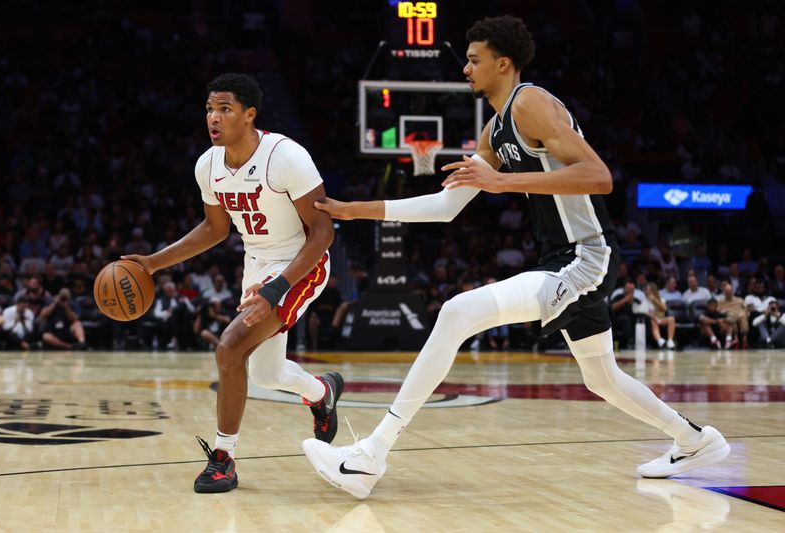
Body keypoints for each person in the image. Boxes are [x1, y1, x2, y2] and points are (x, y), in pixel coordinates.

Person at [301, 16, 728, 499]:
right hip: (561, 258)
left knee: (456, 311)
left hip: (584, 256)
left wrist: (504, 182)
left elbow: (598, 174)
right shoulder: (495, 130)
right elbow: (446, 208)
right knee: (603, 378)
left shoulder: (532, 102)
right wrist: (356, 211)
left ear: (503, 64)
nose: (465, 68)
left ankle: (370, 456)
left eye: (474, 59)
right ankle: (696, 440)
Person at [122, 72, 343, 494]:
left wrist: (277, 288)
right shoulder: (208, 165)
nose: (214, 117)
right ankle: (321, 392)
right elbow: (213, 229)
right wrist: (152, 263)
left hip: (301, 262)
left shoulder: (286, 157)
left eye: (224, 108)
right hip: (257, 263)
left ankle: (223, 459)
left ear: (249, 114)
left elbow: (322, 232)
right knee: (265, 372)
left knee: (229, 349)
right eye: (209, 108)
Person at [716, 280, 747, 349]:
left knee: (743, 315)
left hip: (740, 314)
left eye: (730, 292)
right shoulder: (720, 302)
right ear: (724, 292)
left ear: (732, 291)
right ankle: (735, 339)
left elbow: (745, 309)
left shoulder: (739, 300)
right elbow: (718, 312)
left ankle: (745, 338)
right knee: (731, 316)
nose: (728, 293)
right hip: (729, 317)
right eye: (727, 292)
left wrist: (746, 313)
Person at [645, 283, 676, 349]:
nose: (648, 291)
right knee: (653, 321)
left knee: (671, 319)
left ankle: (670, 341)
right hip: (650, 319)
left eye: (650, 290)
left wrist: (655, 301)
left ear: (654, 291)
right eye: (647, 290)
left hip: (661, 318)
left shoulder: (661, 299)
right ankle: (660, 341)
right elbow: (644, 312)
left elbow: (664, 309)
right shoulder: (645, 300)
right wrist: (653, 317)